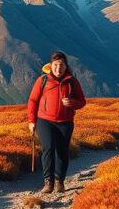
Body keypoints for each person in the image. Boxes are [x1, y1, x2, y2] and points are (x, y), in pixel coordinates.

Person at [27, 52, 87, 194]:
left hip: (65, 122)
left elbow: (82, 101)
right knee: (48, 149)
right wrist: (31, 120)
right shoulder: (42, 81)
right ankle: (48, 182)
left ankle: (59, 181)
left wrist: (72, 103)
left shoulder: (72, 82)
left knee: (62, 151)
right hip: (45, 120)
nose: (58, 68)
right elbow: (32, 101)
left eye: (61, 65)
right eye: (55, 65)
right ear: (50, 66)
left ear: (65, 66)